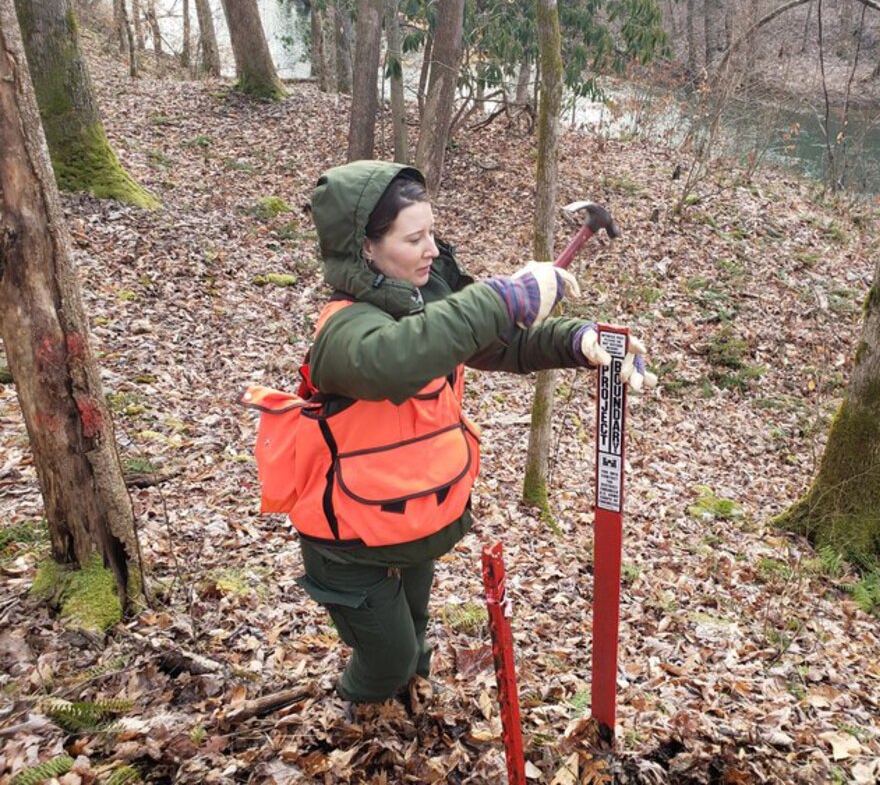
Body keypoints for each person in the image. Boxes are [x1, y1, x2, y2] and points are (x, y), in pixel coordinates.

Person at [254, 160, 655, 706]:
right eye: (414, 238)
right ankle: (357, 704)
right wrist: (500, 297)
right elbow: (397, 358)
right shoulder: (344, 330)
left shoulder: (430, 298)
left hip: (415, 515)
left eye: (432, 234)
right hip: (346, 540)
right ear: (365, 249)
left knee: (414, 635)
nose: (432, 250)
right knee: (388, 656)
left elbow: (499, 343)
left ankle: (408, 698)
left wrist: (575, 340)